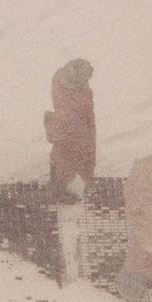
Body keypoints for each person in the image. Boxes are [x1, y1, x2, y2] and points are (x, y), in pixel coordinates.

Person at [45, 58, 95, 202]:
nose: (87, 81)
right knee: (65, 155)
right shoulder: (72, 94)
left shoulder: (68, 83)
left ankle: (61, 184)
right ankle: (58, 188)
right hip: (70, 130)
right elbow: (72, 116)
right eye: (85, 79)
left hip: (74, 128)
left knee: (66, 155)